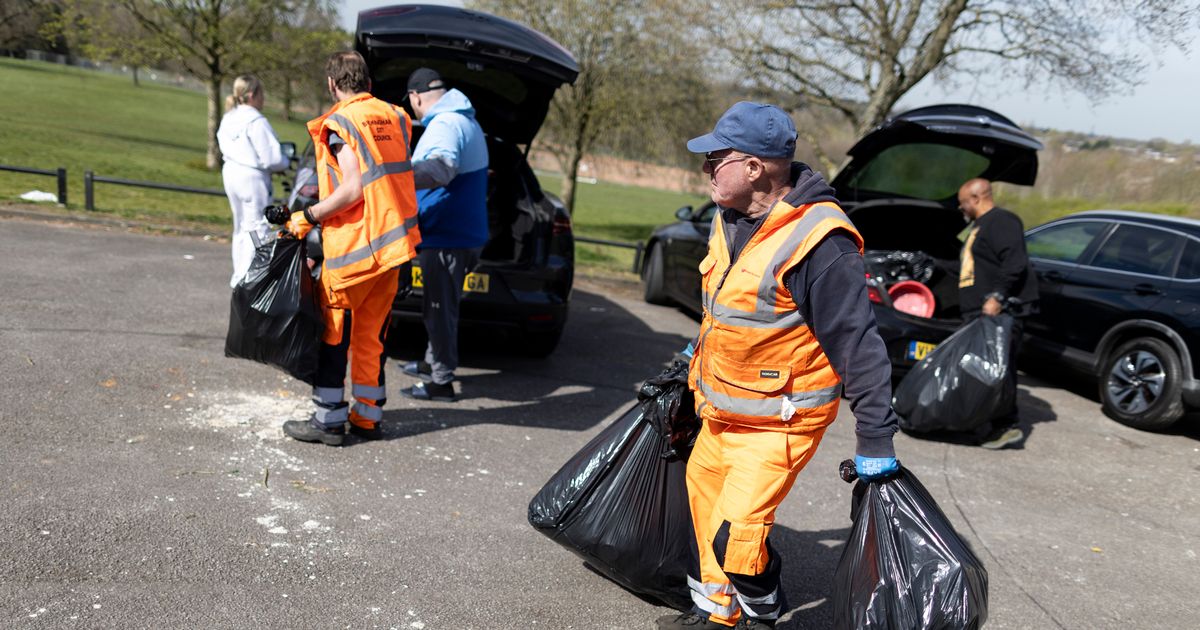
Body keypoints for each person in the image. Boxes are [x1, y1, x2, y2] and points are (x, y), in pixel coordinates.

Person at [657, 102, 900, 630]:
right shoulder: (730, 220)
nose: (705, 169)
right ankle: (715, 616)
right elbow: (728, 312)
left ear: (753, 168)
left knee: (738, 535)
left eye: (715, 158)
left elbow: (857, 343)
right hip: (719, 411)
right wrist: (689, 362)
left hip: (779, 421)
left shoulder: (819, 241)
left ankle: (764, 615)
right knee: (706, 518)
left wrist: (876, 439)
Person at [279, 51, 421, 446]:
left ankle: (328, 422)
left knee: (334, 334)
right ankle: (367, 418)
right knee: (372, 337)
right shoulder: (396, 117)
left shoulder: (340, 122)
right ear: (368, 82)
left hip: (354, 248)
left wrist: (306, 217)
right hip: (392, 246)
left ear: (331, 84)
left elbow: (353, 188)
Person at [398, 68, 489, 403]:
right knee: (439, 306)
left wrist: (395, 173)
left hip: (449, 235)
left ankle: (440, 382)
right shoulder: (464, 119)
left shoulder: (445, 123)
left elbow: (440, 167)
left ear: (415, 96)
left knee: (439, 308)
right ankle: (431, 362)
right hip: (461, 234)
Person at [956, 178, 1039, 449]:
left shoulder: (1002, 221)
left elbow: (1015, 263)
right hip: (980, 314)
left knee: (1000, 370)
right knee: (980, 370)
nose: (961, 209)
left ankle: (1007, 426)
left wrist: (997, 297)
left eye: (963, 203)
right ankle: (982, 423)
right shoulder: (980, 226)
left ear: (977, 198)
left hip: (1000, 313)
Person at [216, 74, 291, 288]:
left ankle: (238, 273)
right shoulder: (256, 121)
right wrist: (286, 163)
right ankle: (250, 277)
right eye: (261, 94)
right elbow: (273, 158)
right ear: (252, 95)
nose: (263, 99)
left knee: (240, 225)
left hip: (231, 172)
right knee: (256, 226)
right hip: (251, 177)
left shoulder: (229, 117)